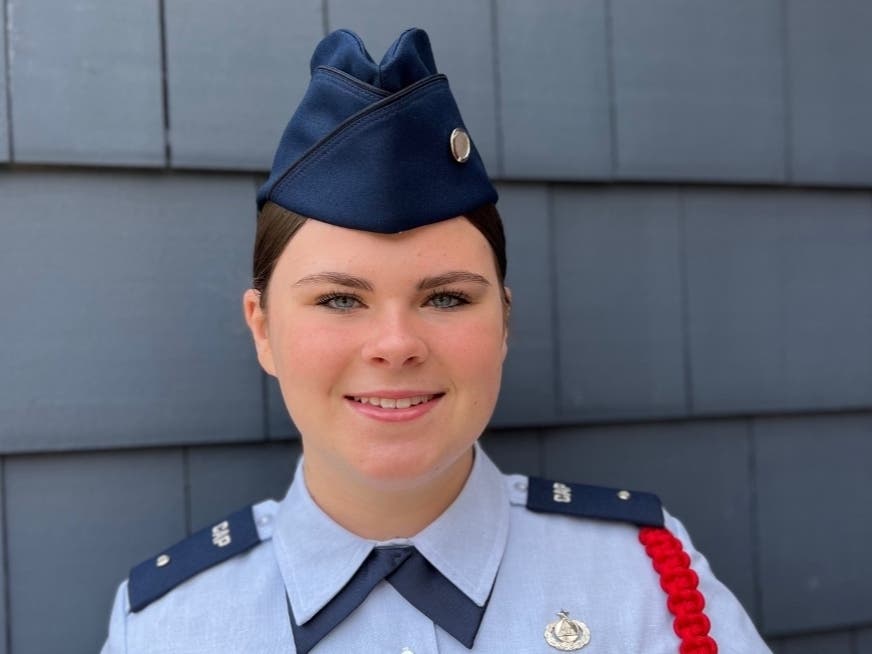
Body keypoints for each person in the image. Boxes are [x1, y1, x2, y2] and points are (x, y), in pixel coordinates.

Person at [100, 27, 772, 653]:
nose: (396, 344)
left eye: (446, 297)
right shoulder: (169, 627)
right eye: (339, 299)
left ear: (503, 322)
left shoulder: (644, 584)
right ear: (263, 330)